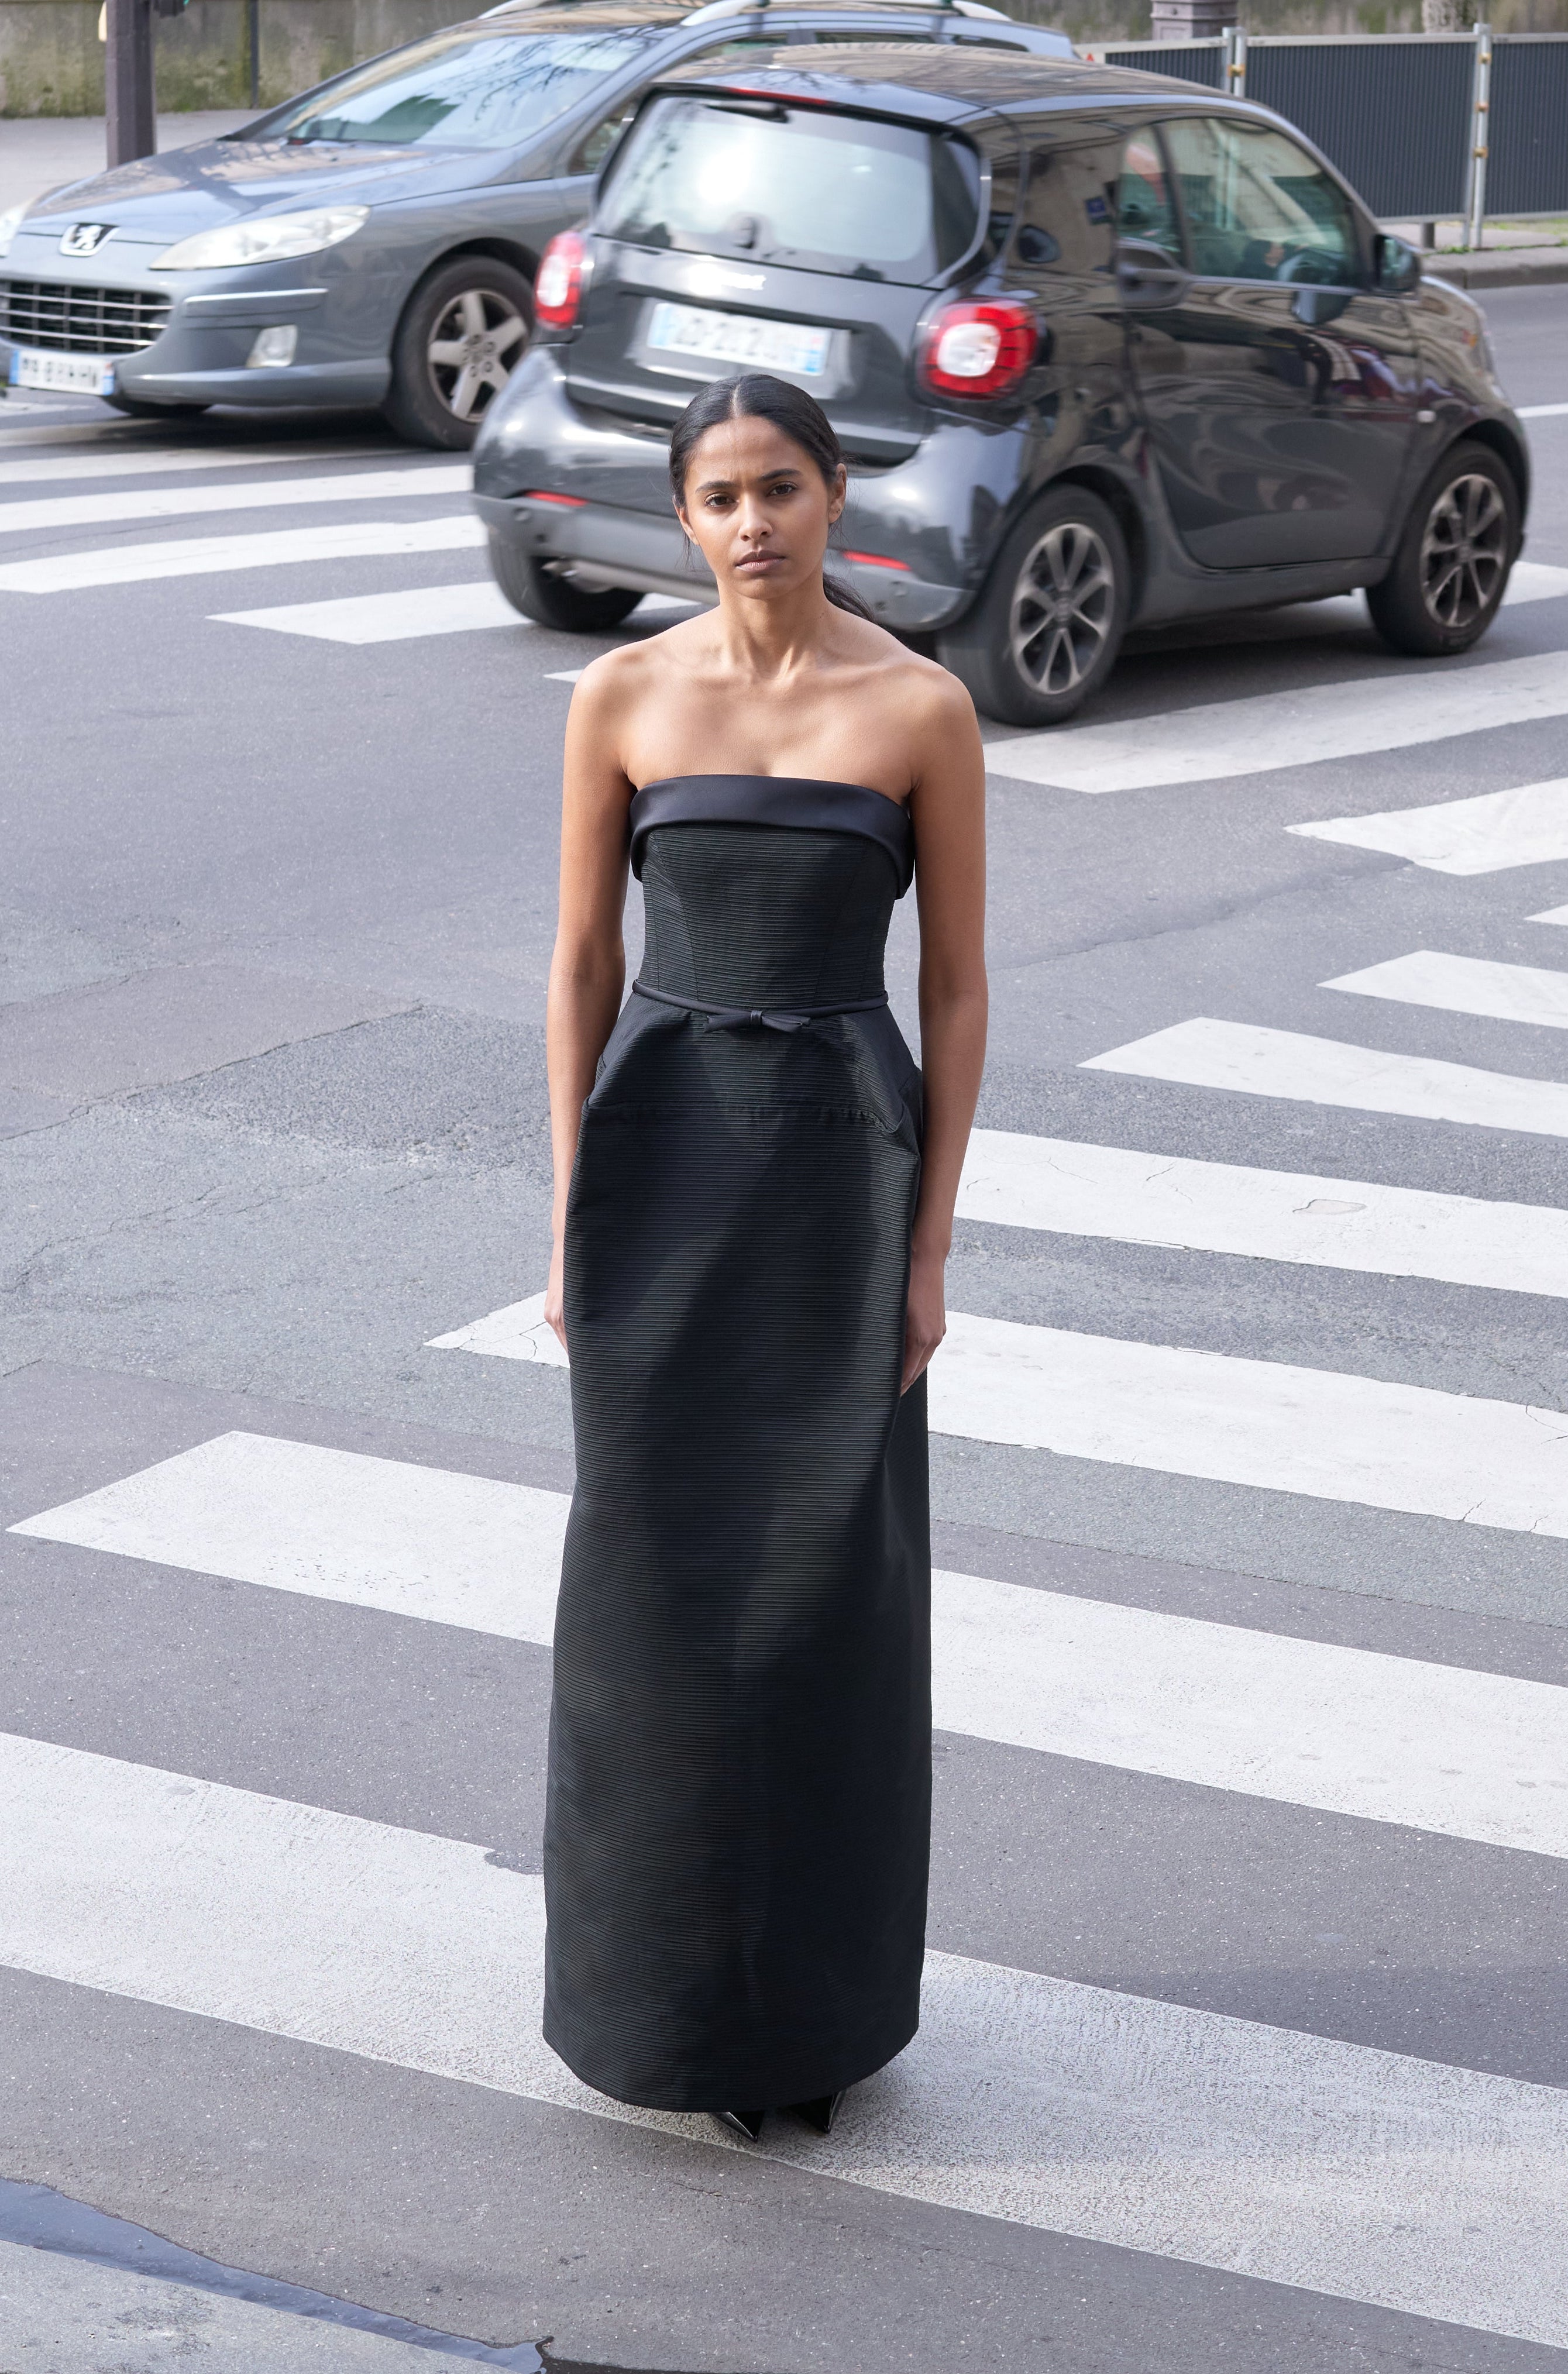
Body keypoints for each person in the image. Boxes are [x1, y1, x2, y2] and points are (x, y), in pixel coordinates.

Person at [541, 370, 988, 2144]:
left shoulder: (922, 707)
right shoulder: (621, 693)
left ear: (830, 495)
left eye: (781, 486)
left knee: (825, 1601)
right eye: (720, 493)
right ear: (685, 514)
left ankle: (806, 2013)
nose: (751, 521)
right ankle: (651, 2014)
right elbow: (580, 964)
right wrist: (570, 1204)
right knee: (648, 1601)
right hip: (658, 1168)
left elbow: (952, 989)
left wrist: (930, 1243)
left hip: (835, 1175)